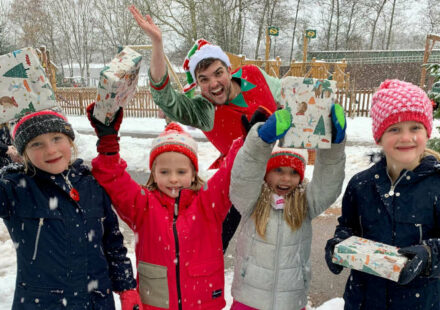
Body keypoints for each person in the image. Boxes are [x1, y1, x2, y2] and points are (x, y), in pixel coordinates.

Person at [87, 101, 291, 309]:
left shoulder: (208, 202)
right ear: (154, 174)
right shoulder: (143, 205)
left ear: (193, 173)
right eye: (164, 172)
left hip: (203, 302)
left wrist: (247, 143)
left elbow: (230, 172)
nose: (173, 179)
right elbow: (112, 178)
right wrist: (108, 143)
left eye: (181, 172)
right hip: (157, 303)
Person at [129, 4, 282, 251]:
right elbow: (164, 95)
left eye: (218, 73)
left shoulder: (253, 74)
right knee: (213, 243)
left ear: (228, 69)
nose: (214, 84)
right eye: (204, 79)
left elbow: (286, 94)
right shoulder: (202, 109)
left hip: (277, 171)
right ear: (198, 84)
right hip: (238, 177)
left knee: (275, 246)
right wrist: (157, 44)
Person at [324, 79, 440, 310]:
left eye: (415, 128)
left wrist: (430, 253)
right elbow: (348, 227)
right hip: (363, 301)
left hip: (418, 303)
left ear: (427, 132)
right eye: (394, 129)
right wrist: (339, 244)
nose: (406, 137)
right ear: (379, 136)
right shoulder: (360, 184)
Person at [0, 110, 142, 310]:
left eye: (57, 138)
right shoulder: (15, 188)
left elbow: (113, 243)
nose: (51, 150)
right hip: (43, 304)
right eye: (36, 144)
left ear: (70, 141)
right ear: (23, 153)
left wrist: (127, 287)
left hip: (96, 302)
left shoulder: (91, 184)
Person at [229, 104, 346, 310]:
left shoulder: (306, 202)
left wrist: (334, 147)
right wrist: (260, 143)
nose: (286, 178)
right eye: (279, 170)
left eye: (294, 172)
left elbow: (328, 184)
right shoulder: (253, 200)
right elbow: (242, 178)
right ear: (265, 173)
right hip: (249, 300)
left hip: (290, 302)